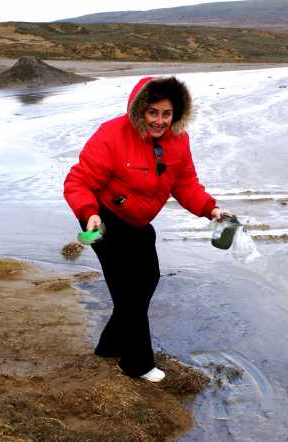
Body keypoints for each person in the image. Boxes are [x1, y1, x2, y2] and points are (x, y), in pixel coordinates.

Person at [63, 76, 229, 382]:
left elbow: (185, 183)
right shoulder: (112, 135)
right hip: (104, 220)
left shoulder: (178, 140)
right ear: (140, 110)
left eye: (167, 114)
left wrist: (210, 209)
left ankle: (110, 346)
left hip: (138, 222)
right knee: (129, 294)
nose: (160, 121)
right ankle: (136, 363)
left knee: (147, 280)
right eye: (153, 112)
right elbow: (78, 181)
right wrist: (89, 214)